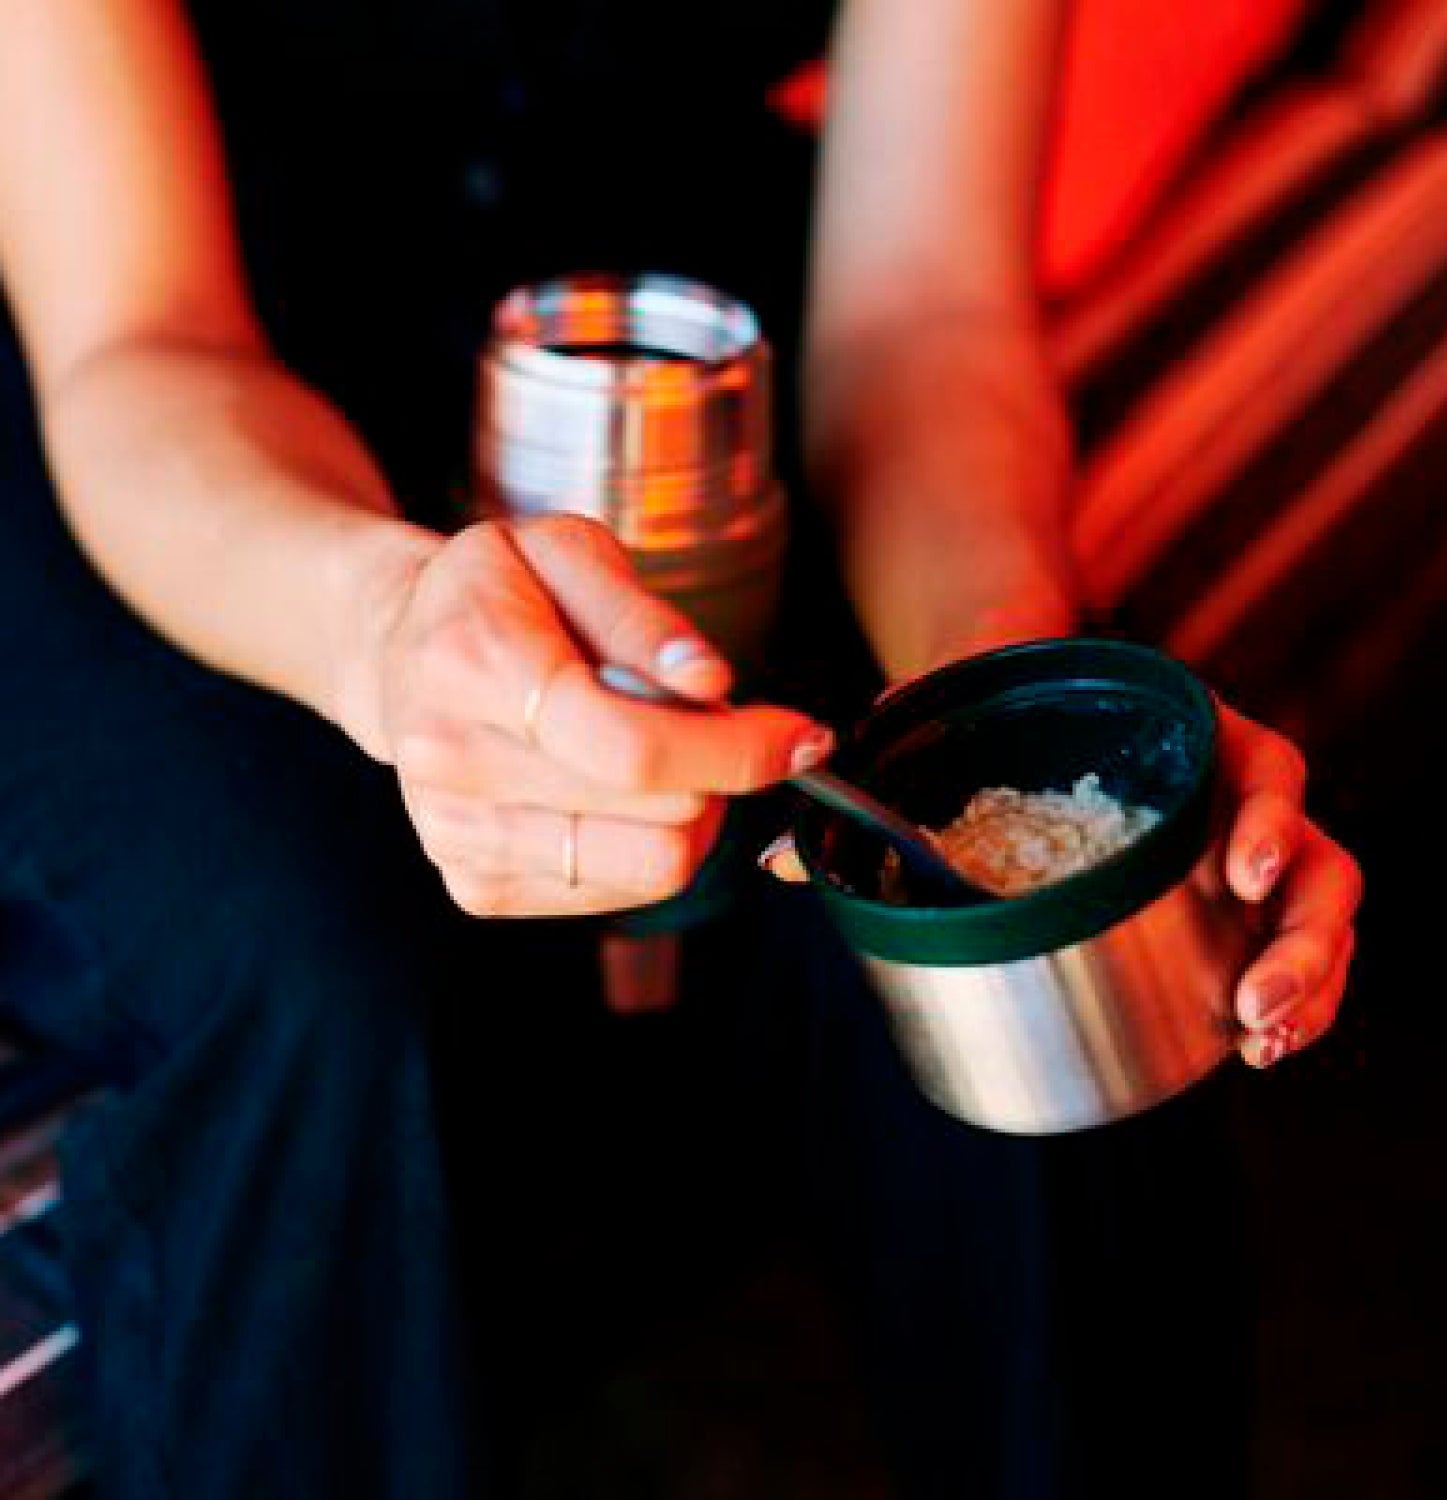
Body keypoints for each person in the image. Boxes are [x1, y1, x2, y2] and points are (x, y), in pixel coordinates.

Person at [0, 0, 1361, 1495]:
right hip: (180, 420)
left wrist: (1023, 729)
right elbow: (143, 335)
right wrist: (384, 632)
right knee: (305, 965)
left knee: (1022, 938)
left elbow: (923, 312)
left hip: (701, 335)